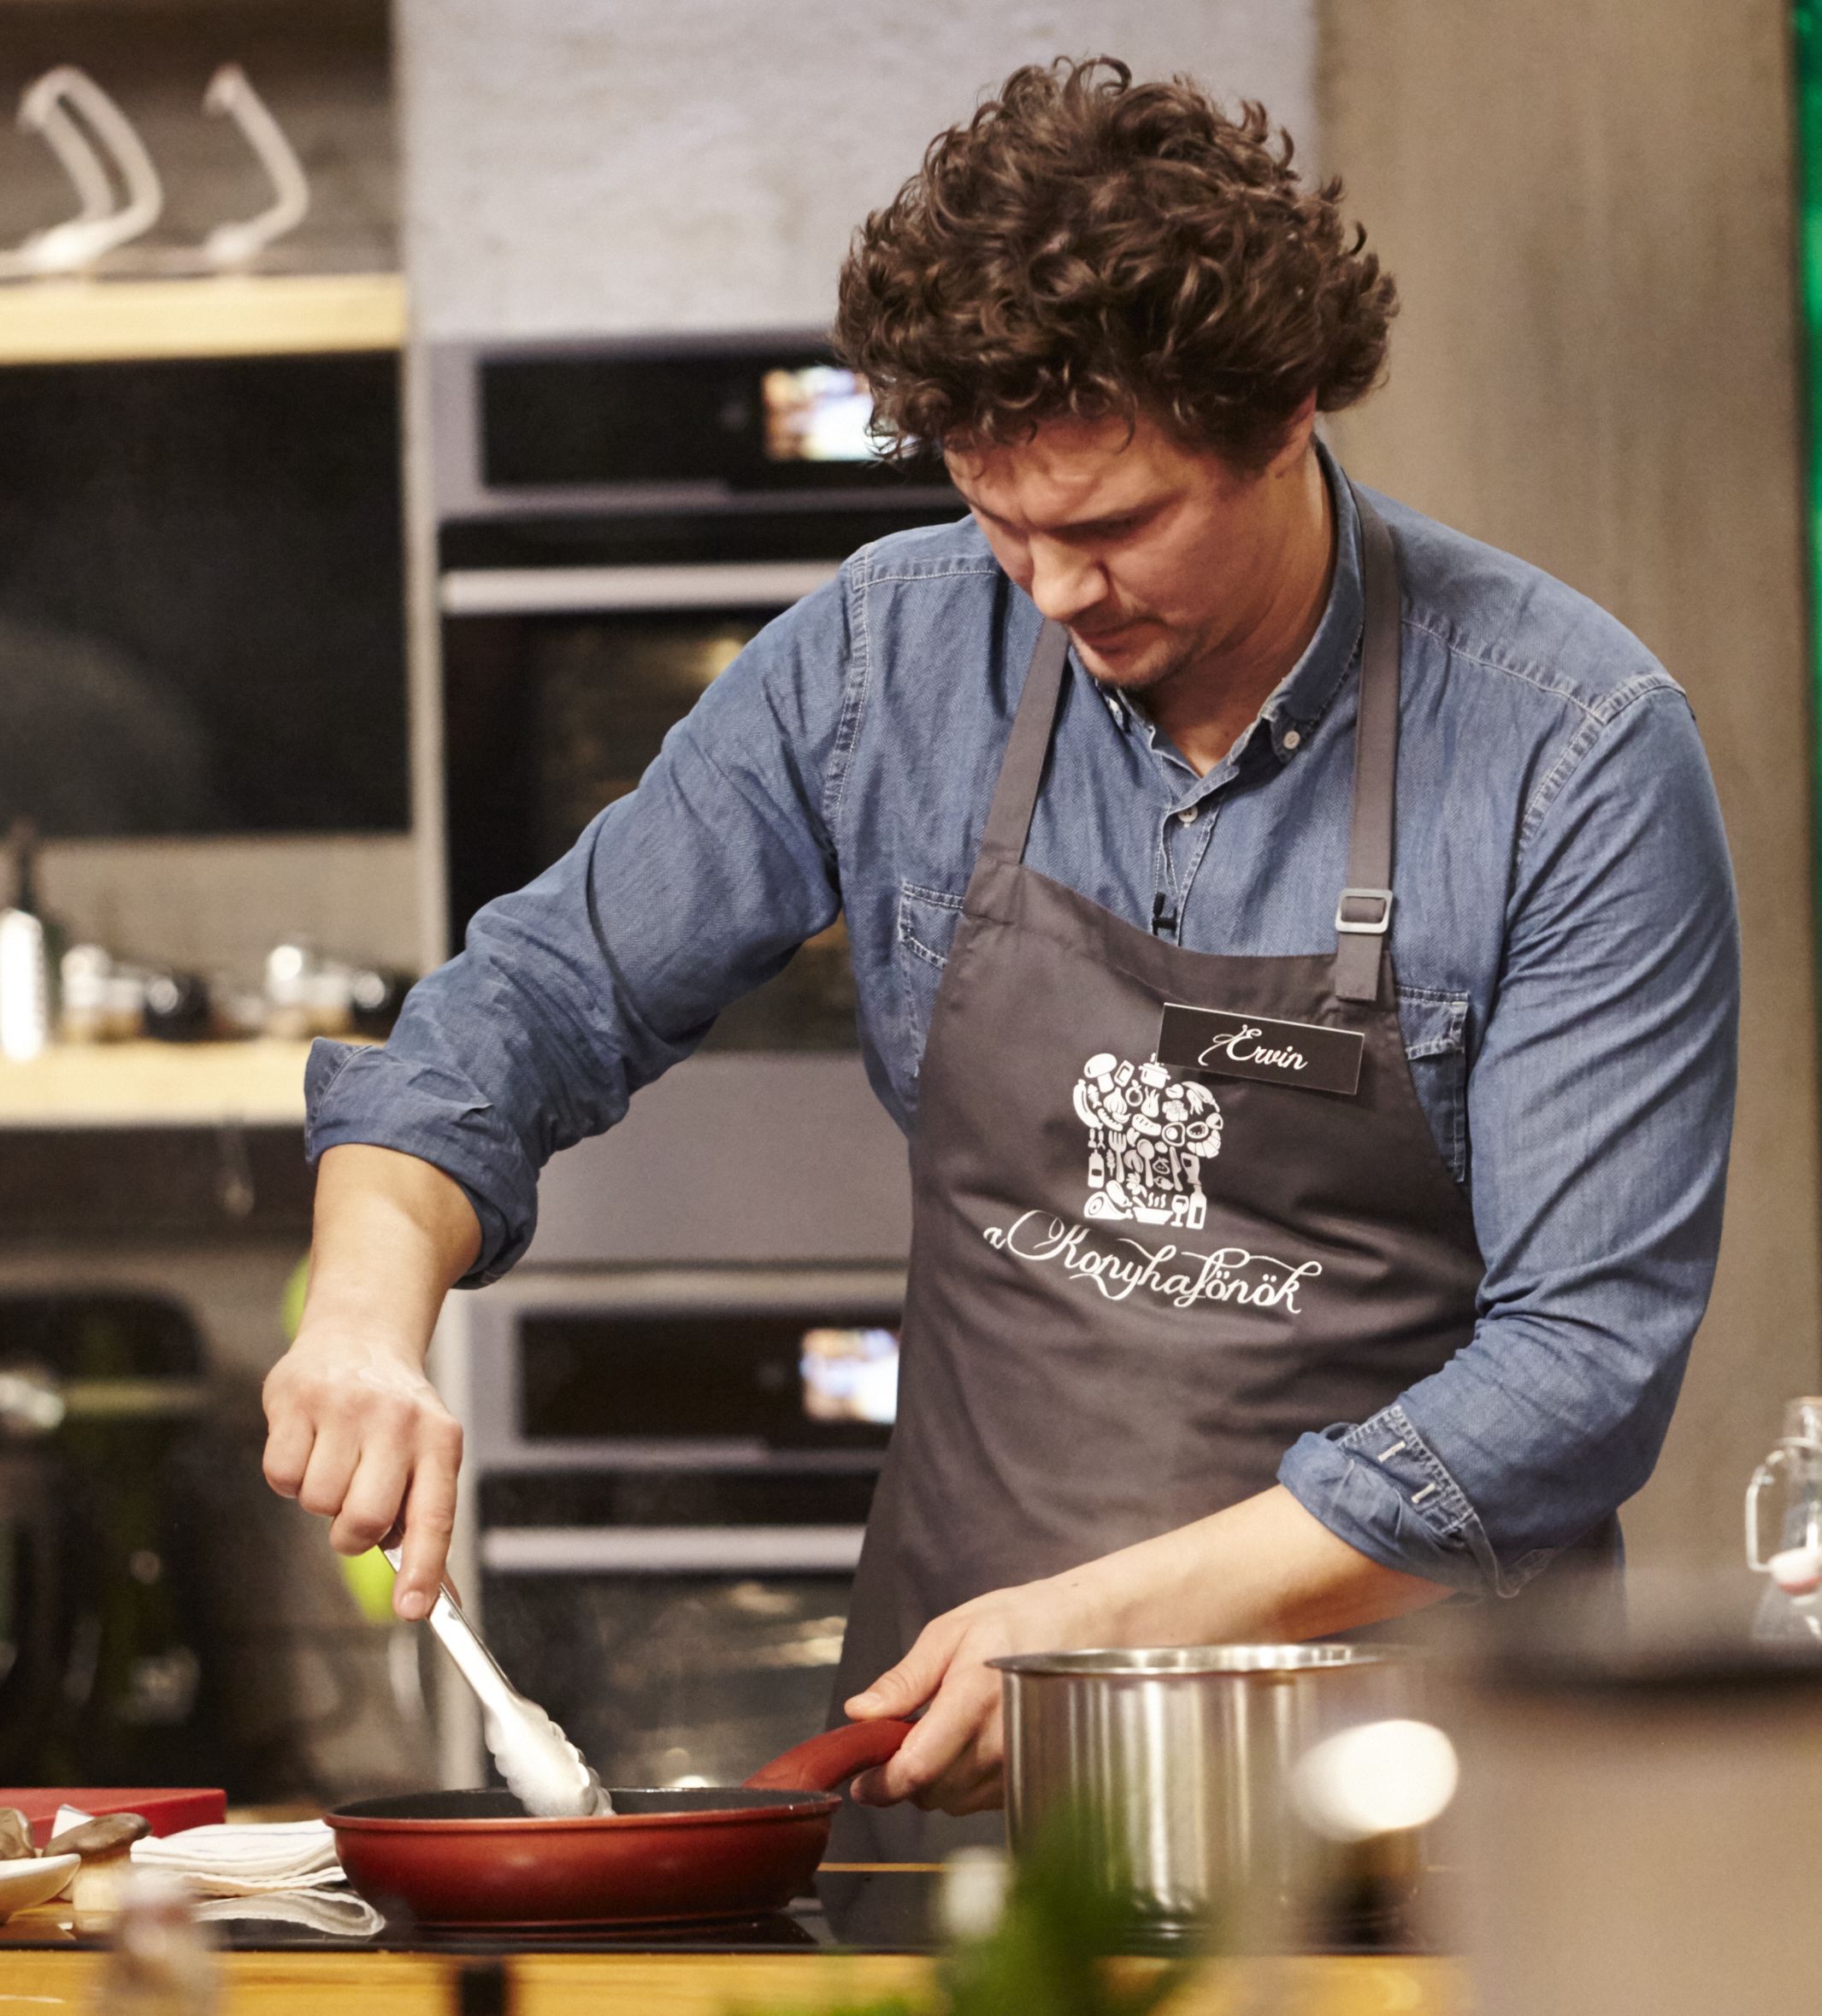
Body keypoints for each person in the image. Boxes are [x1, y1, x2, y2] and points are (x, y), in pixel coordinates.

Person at [261, 58, 1738, 1849]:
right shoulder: (885, 661)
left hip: (1405, 1807)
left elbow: (1578, 1374)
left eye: (1111, 526)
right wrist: (364, 1318)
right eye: (997, 515)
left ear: (1284, 417)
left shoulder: (1569, 750)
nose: (1049, 590)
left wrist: (1106, 1630)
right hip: (958, 1774)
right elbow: (521, 1009)